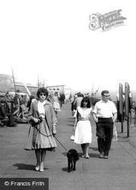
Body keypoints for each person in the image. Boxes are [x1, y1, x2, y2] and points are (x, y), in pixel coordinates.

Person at [25, 87, 57, 172]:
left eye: (44, 95)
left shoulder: (49, 104)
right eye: (41, 94)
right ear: (38, 95)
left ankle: (42, 163)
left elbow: (53, 117)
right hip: (36, 126)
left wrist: (54, 128)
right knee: (37, 146)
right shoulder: (34, 103)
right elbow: (29, 114)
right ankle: (38, 162)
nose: (42, 96)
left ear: (46, 96)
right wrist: (33, 119)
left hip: (46, 127)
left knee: (44, 147)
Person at [92, 90, 117, 159]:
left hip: (109, 121)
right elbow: (94, 113)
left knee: (109, 138)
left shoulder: (111, 103)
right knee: (100, 137)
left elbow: (115, 113)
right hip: (100, 121)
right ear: (102, 96)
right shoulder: (98, 104)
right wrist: (95, 120)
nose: (107, 97)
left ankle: (106, 153)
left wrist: (113, 120)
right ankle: (101, 152)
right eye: (106, 96)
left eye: (108, 96)